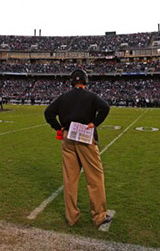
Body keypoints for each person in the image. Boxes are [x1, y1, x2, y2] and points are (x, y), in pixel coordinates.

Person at [44, 69, 112, 227]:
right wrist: (95, 123)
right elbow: (105, 108)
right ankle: (99, 216)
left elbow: (48, 113)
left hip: (68, 137)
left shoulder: (63, 97)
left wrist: (59, 127)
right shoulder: (91, 96)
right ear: (85, 81)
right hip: (85, 136)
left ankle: (72, 218)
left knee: (70, 179)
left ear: (71, 82)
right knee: (95, 177)